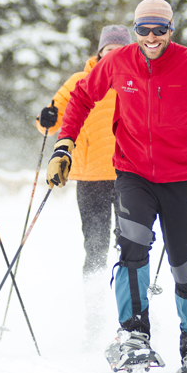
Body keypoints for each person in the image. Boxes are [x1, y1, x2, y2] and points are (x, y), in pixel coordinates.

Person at [44, 0, 187, 373]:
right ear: (135, 31)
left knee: (185, 267)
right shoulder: (118, 62)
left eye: (160, 29)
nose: (152, 37)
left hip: (180, 178)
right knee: (133, 247)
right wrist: (64, 144)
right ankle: (134, 335)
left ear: (171, 29)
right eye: (144, 29)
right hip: (133, 173)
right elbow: (82, 97)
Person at [36, 25, 131, 277]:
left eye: (120, 50)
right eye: (109, 49)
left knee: (130, 242)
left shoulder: (136, 81)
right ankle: (94, 294)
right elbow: (50, 123)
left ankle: (127, 292)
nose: (113, 55)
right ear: (100, 52)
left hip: (129, 174)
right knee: (95, 243)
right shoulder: (79, 81)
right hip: (92, 176)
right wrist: (46, 117)